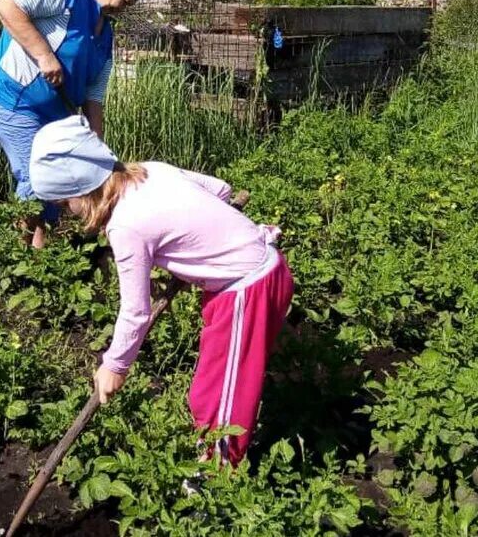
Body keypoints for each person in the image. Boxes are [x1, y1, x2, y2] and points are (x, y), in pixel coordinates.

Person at [29, 116, 294, 466]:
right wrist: (198, 240)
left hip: (248, 289)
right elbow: (222, 190)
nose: (67, 213)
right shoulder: (152, 170)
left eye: (64, 204)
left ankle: (219, 475)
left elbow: (135, 311)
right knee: (213, 384)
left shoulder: (125, 225)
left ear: (82, 189)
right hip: (256, 273)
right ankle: (213, 459)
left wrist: (114, 365)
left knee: (222, 394)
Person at [0, 0, 147, 248]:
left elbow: (94, 99)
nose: (125, 8)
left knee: (60, 174)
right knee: (36, 174)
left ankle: (44, 249)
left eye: (131, 4)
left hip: (53, 112)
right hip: (10, 96)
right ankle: (23, 255)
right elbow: (6, 4)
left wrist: (99, 154)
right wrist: (44, 55)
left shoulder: (104, 34)